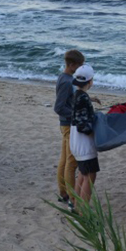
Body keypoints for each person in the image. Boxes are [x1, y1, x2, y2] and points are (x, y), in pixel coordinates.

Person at [54, 49, 85, 202]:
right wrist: (76, 113)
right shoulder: (66, 82)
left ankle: (63, 192)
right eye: (80, 66)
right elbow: (59, 107)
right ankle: (72, 197)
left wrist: (88, 98)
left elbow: (70, 99)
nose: (81, 69)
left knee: (64, 159)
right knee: (71, 162)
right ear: (72, 65)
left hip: (66, 124)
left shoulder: (66, 78)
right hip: (68, 125)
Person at [70, 64, 99, 209]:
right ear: (90, 81)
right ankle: (82, 212)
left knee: (82, 173)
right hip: (84, 144)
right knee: (90, 176)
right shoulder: (83, 98)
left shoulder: (78, 95)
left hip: (75, 141)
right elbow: (83, 125)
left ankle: (74, 205)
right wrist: (96, 130)